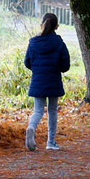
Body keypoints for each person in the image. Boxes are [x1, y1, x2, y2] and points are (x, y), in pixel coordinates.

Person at [23, 12, 71, 151]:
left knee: (37, 110)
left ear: (42, 24)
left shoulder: (33, 42)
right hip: (53, 80)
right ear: (57, 26)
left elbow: (27, 62)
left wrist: (37, 69)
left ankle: (31, 127)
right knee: (52, 110)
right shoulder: (59, 43)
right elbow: (65, 66)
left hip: (38, 80)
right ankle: (50, 142)